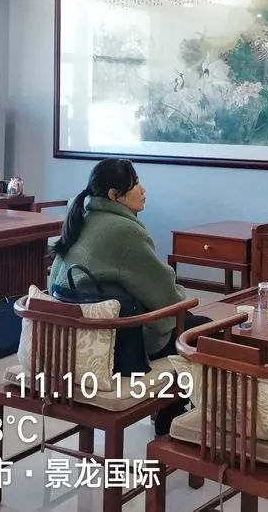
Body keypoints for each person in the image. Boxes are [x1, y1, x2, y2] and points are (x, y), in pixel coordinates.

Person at [47, 158, 206, 435]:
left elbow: (53, 284)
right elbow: (167, 295)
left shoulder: (81, 217)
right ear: (114, 195)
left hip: (72, 339)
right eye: (135, 184)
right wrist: (182, 300)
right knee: (204, 331)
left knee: (187, 318)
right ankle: (170, 420)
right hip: (116, 344)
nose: (143, 190)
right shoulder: (124, 230)